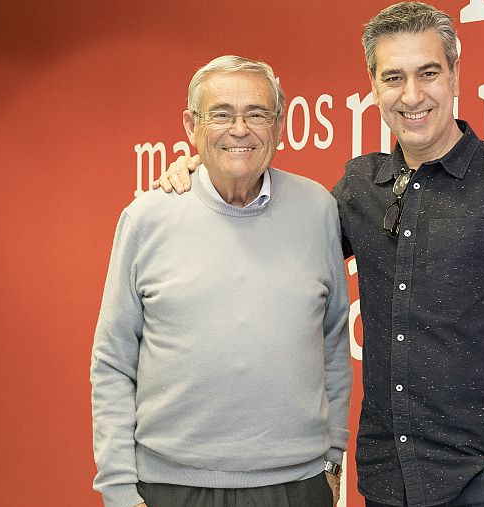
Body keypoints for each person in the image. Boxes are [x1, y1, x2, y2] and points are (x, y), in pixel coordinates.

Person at [156, 3, 484, 506]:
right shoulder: (360, 187)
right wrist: (208, 172)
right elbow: (276, 236)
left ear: (454, 74)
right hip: (389, 481)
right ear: (373, 85)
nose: (412, 95)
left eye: (428, 73)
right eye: (393, 77)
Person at [91, 55, 351, 507]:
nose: (240, 129)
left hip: (297, 487)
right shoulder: (146, 218)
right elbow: (113, 362)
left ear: (279, 124)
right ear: (192, 126)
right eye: (221, 114)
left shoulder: (317, 210)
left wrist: (332, 459)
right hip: (171, 487)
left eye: (256, 114)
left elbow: (332, 345)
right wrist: (117, 490)